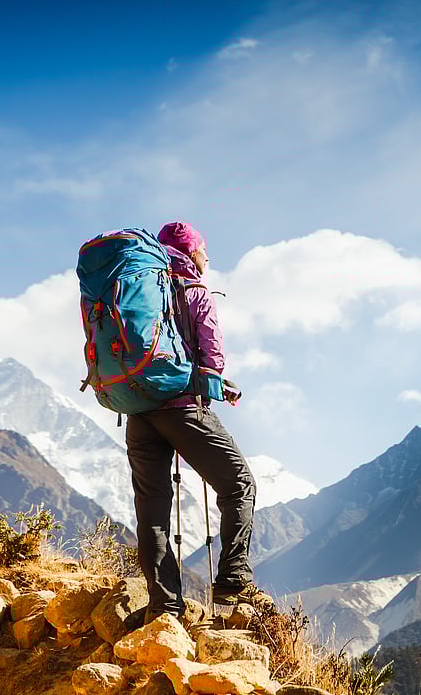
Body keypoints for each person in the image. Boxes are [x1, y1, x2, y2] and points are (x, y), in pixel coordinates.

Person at [125, 220, 259, 620]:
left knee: (152, 511)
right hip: (183, 409)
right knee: (239, 485)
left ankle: (164, 606)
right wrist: (214, 385)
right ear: (191, 252)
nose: (207, 257)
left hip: (139, 411)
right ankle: (233, 582)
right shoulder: (194, 291)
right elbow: (212, 357)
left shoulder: (140, 290)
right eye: (203, 250)